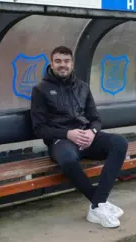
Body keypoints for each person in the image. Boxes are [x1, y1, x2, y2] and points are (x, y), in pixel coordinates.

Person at [30, 46, 129, 228]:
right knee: (67, 160)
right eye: (58, 61)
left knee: (120, 143)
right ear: (51, 64)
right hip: (61, 141)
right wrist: (68, 133)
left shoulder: (82, 87)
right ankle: (99, 204)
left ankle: (97, 205)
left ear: (72, 64)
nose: (62, 65)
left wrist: (92, 132)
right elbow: (39, 128)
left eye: (66, 61)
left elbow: (96, 119)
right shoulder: (40, 90)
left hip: (86, 137)